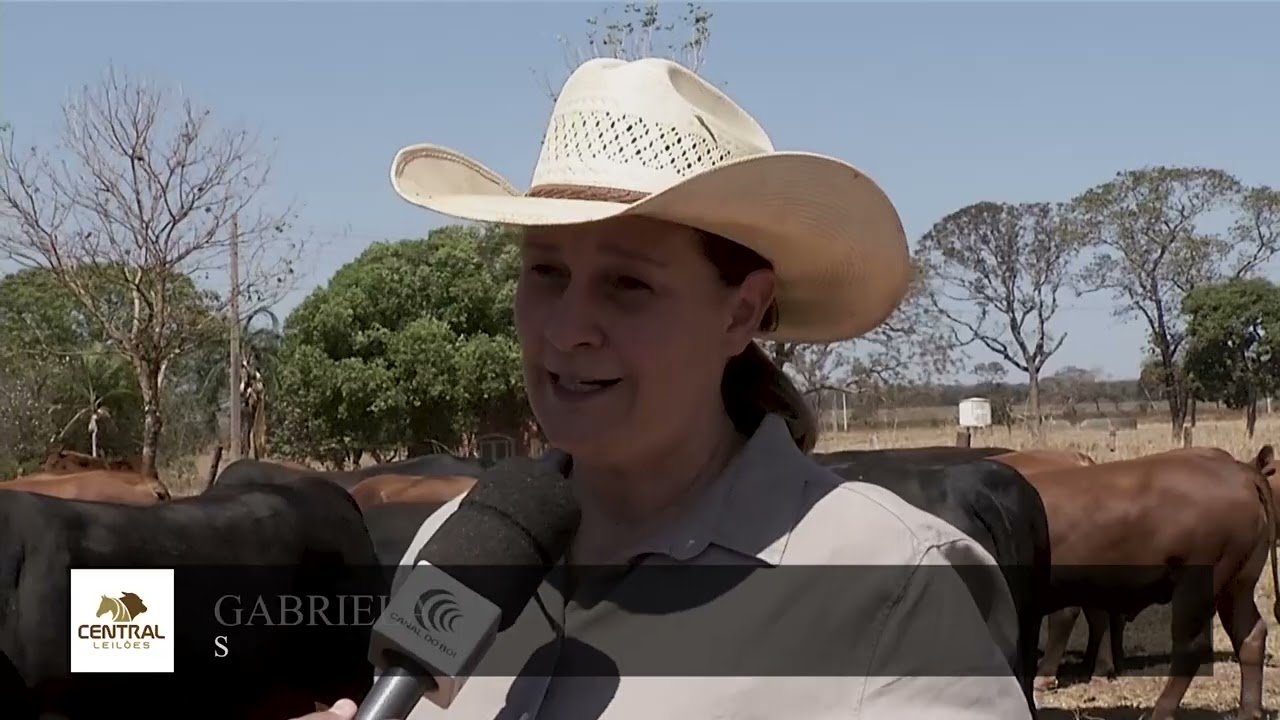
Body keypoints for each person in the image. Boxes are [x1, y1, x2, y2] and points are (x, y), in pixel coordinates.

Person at [297, 57, 1032, 720]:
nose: (567, 329)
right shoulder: (455, 547)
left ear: (741, 311)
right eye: (545, 272)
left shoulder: (887, 587)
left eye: (628, 284)